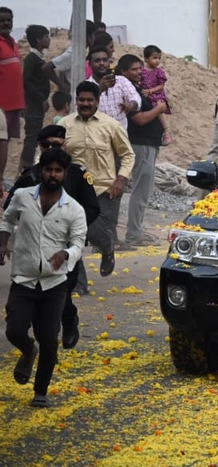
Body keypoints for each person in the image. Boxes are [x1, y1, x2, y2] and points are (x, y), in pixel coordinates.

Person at [0, 147, 87, 408]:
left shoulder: (74, 208)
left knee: (49, 338)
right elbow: (7, 221)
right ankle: (28, 350)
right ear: (41, 171)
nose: (52, 174)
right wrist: (3, 243)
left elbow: (78, 243)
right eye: (48, 169)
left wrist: (65, 253)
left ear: (64, 174)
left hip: (54, 283)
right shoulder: (23, 197)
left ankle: (40, 391)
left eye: (58, 171)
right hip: (24, 279)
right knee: (14, 329)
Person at [5, 125, 101, 347]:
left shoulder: (77, 174)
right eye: (46, 145)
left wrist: (72, 228)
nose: (51, 148)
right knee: (30, 297)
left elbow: (92, 208)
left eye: (56, 144)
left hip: (67, 247)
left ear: (64, 144)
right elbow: (10, 208)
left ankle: (68, 323)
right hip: (33, 248)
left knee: (63, 292)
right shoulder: (30, 177)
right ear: (40, 147)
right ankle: (31, 338)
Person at [60, 80, 134, 276]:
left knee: (91, 231)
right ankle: (77, 283)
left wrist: (121, 179)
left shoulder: (111, 125)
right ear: (76, 101)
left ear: (97, 101)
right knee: (71, 236)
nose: (85, 104)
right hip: (71, 191)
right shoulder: (64, 125)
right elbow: (48, 151)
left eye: (89, 100)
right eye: (81, 100)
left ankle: (107, 246)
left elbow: (128, 155)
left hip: (103, 189)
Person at [118, 54, 167, 247]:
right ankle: (134, 233)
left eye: (140, 68)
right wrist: (159, 109)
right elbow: (139, 119)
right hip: (141, 144)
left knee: (144, 189)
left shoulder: (136, 89)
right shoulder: (128, 92)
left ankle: (136, 230)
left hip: (149, 144)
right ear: (123, 72)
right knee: (141, 189)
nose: (139, 72)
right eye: (134, 69)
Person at [21, 25, 60, 171]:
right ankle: (24, 170)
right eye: (46, 36)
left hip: (36, 104)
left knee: (34, 137)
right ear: (38, 39)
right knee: (31, 139)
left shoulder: (38, 57)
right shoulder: (32, 58)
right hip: (33, 105)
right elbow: (27, 81)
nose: (49, 39)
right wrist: (41, 99)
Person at [86, 46, 139, 130]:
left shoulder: (121, 80)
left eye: (105, 60)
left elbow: (136, 98)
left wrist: (131, 104)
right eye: (97, 61)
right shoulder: (85, 86)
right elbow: (83, 111)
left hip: (120, 136)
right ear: (90, 64)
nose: (102, 63)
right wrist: (99, 90)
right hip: (97, 137)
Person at [0, 6, 24, 185]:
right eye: (2, 20)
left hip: (14, 103)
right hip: (1, 104)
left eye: (9, 20)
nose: (6, 23)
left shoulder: (13, 43)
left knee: (7, 141)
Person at [140, 45, 173, 145]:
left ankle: (167, 131)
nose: (157, 61)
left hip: (156, 95)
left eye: (159, 58)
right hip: (145, 94)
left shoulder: (159, 72)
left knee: (157, 110)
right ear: (146, 58)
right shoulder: (141, 70)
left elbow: (161, 86)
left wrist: (150, 91)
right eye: (154, 58)